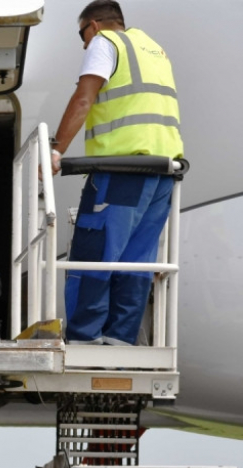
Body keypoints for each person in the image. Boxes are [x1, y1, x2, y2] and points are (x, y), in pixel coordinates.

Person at [50, 0, 184, 345]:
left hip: (122, 170)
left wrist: (55, 150)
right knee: (136, 260)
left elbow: (84, 98)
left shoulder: (105, 43)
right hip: (164, 171)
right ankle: (120, 338)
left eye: (82, 34)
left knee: (95, 252)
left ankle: (84, 336)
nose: (83, 43)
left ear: (93, 25)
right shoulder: (154, 49)